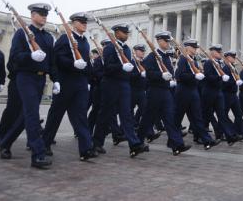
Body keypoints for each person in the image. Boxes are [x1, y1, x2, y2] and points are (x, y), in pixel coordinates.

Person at [0, 3, 56, 169]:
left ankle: (5, 143)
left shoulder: (47, 37)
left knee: (26, 116)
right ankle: (38, 154)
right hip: (25, 77)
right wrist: (31, 56)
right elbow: (15, 57)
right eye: (41, 14)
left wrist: (55, 79)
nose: (44, 17)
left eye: (46, 14)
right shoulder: (21, 34)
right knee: (32, 114)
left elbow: (51, 61)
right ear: (32, 15)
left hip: (40, 79)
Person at [42, 12, 97, 161]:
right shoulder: (65, 38)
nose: (84, 24)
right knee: (56, 115)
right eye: (81, 22)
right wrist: (71, 64)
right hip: (66, 81)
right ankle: (45, 144)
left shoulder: (84, 41)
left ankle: (85, 149)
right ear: (73, 23)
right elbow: (57, 59)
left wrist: (88, 80)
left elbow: (85, 62)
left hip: (80, 83)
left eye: (85, 22)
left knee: (80, 116)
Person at [92, 24, 147, 157]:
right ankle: (96, 142)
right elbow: (108, 68)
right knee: (105, 114)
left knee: (126, 114)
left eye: (127, 32)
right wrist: (121, 66)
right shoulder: (110, 48)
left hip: (124, 84)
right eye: (124, 32)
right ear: (116, 33)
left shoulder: (127, 48)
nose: (127, 34)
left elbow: (129, 67)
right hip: (111, 83)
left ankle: (134, 144)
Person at [138, 31, 190, 156]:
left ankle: (177, 145)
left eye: (168, 41)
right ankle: (137, 142)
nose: (168, 43)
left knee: (170, 118)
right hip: (154, 91)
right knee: (147, 119)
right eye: (166, 41)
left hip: (165, 91)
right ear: (159, 41)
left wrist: (169, 80)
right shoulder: (151, 57)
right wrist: (160, 75)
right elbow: (148, 74)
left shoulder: (166, 56)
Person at [173, 39, 217, 150]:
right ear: (187, 48)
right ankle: (174, 141)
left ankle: (207, 140)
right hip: (183, 91)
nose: (195, 49)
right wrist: (194, 76)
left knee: (197, 117)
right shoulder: (183, 59)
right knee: (177, 118)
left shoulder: (193, 60)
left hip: (193, 90)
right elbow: (180, 76)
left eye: (195, 47)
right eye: (193, 47)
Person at [201, 44, 239, 145]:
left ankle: (229, 136)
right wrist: (220, 78)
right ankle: (200, 136)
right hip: (209, 92)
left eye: (221, 52)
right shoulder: (209, 63)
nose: (220, 54)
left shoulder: (220, 64)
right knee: (206, 115)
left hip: (218, 92)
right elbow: (208, 77)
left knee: (222, 115)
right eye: (219, 52)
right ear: (213, 53)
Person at [222, 51, 243, 140]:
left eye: (234, 57)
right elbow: (224, 83)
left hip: (234, 95)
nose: (234, 59)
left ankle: (241, 132)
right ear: (227, 58)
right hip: (227, 94)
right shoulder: (225, 68)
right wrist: (234, 82)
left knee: (238, 115)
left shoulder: (233, 68)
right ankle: (227, 131)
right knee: (224, 115)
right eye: (232, 57)